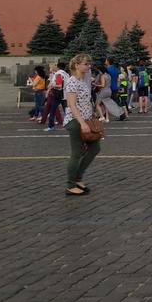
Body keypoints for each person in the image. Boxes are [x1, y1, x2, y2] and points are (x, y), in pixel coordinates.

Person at [63, 53, 100, 196]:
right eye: (85, 63)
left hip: (86, 120)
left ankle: (78, 177)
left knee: (95, 148)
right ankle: (71, 185)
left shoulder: (82, 81)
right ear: (76, 65)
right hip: (76, 121)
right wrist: (82, 122)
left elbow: (85, 102)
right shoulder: (72, 82)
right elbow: (72, 105)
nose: (88, 66)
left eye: (89, 64)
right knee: (77, 153)